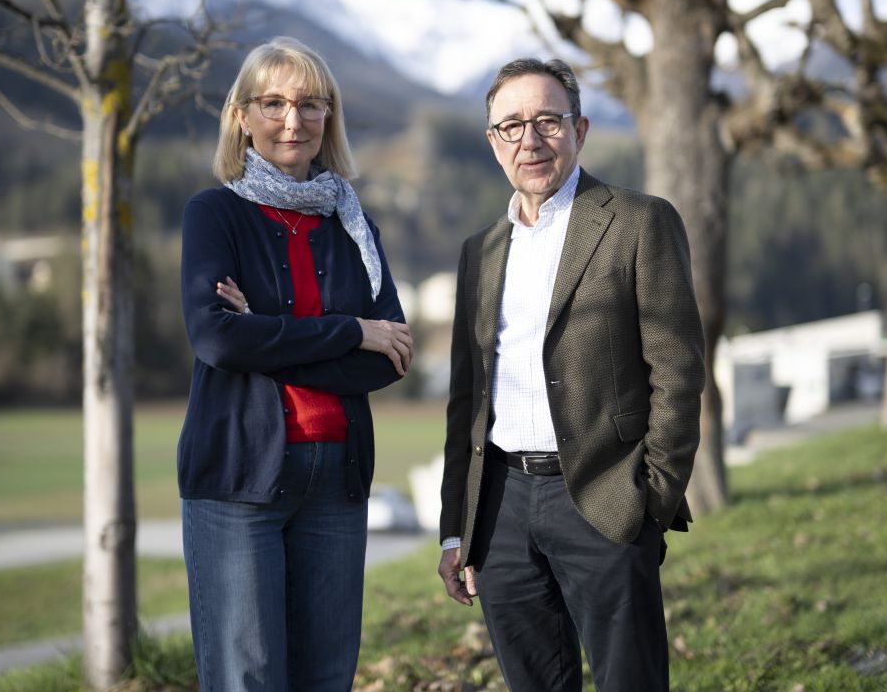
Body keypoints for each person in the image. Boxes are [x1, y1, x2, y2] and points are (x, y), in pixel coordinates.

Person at [437, 57, 705, 691]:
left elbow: (678, 369)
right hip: (500, 509)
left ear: (580, 130)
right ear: (493, 142)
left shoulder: (638, 221)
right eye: (511, 126)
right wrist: (456, 528)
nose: (529, 140)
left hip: (605, 496)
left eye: (548, 121)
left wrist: (651, 498)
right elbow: (466, 399)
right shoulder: (480, 251)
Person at [178, 36, 412, 691]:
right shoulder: (214, 214)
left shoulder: (352, 226)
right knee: (247, 679)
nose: (293, 119)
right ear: (241, 116)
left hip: (338, 480)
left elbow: (388, 359)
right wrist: (350, 331)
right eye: (273, 103)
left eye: (311, 104)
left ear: (329, 117)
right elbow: (218, 341)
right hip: (239, 478)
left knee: (327, 678)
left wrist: (264, 332)